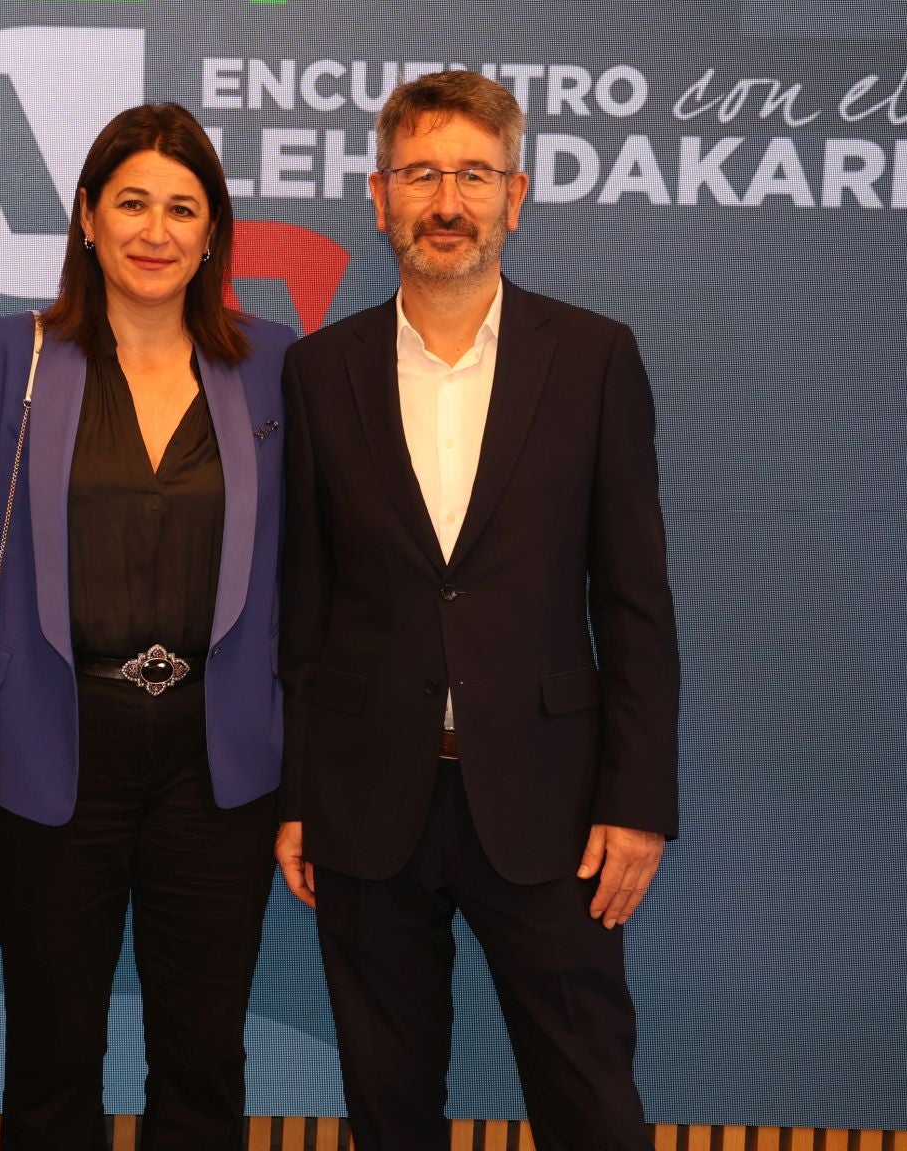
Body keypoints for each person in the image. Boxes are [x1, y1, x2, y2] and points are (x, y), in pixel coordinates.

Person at [274, 70, 680, 1148]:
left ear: (517, 192)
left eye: (471, 173)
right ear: (377, 195)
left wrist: (638, 800)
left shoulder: (594, 358)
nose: (445, 200)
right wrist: (299, 795)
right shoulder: (320, 372)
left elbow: (636, 598)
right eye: (420, 174)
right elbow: (304, 609)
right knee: (388, 1107)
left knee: (592, 1103)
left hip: (550, 807)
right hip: (369, 807)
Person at [0, 103, 295, 1150]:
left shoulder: (273, 362)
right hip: (53, 743)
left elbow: (308, 580)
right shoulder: (11, 358)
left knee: (204, 1056)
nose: (156, 228)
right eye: (131, 201)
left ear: (213, 232)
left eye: (184, 207)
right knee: (51, 1053)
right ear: (86, 215)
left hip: (215, 759)